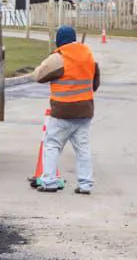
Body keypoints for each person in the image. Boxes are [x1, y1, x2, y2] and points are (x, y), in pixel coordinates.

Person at [28, 24, 100, 194]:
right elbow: (95, 83)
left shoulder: (59, 58)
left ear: (59, 40)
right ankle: (85, 184)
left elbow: (38, 76)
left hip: (62, 112)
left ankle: (49, 181)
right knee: (83, 149)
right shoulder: (88, 55)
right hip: (85, 111)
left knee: (52, 144)